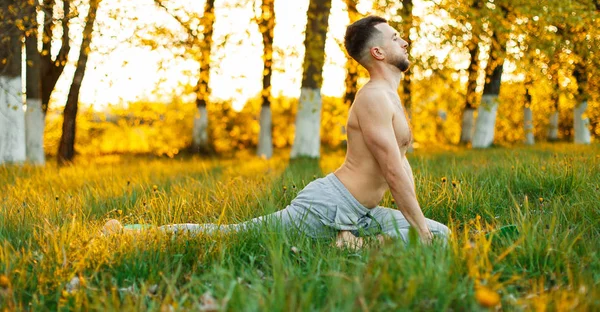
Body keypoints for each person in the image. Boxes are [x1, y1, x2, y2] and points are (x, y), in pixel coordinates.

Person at [105, 16, 449, 247]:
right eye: (394, 37)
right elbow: (390, 168)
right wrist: (417, 227)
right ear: (377, 52)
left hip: (361, 213)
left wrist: (418, 219)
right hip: (328, 206)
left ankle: (351, 242)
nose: (404, 41)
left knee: (442, 236)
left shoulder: (389, 95)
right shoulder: (373, 97)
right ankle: (132, 234)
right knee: (232, 236)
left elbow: (401, 165)